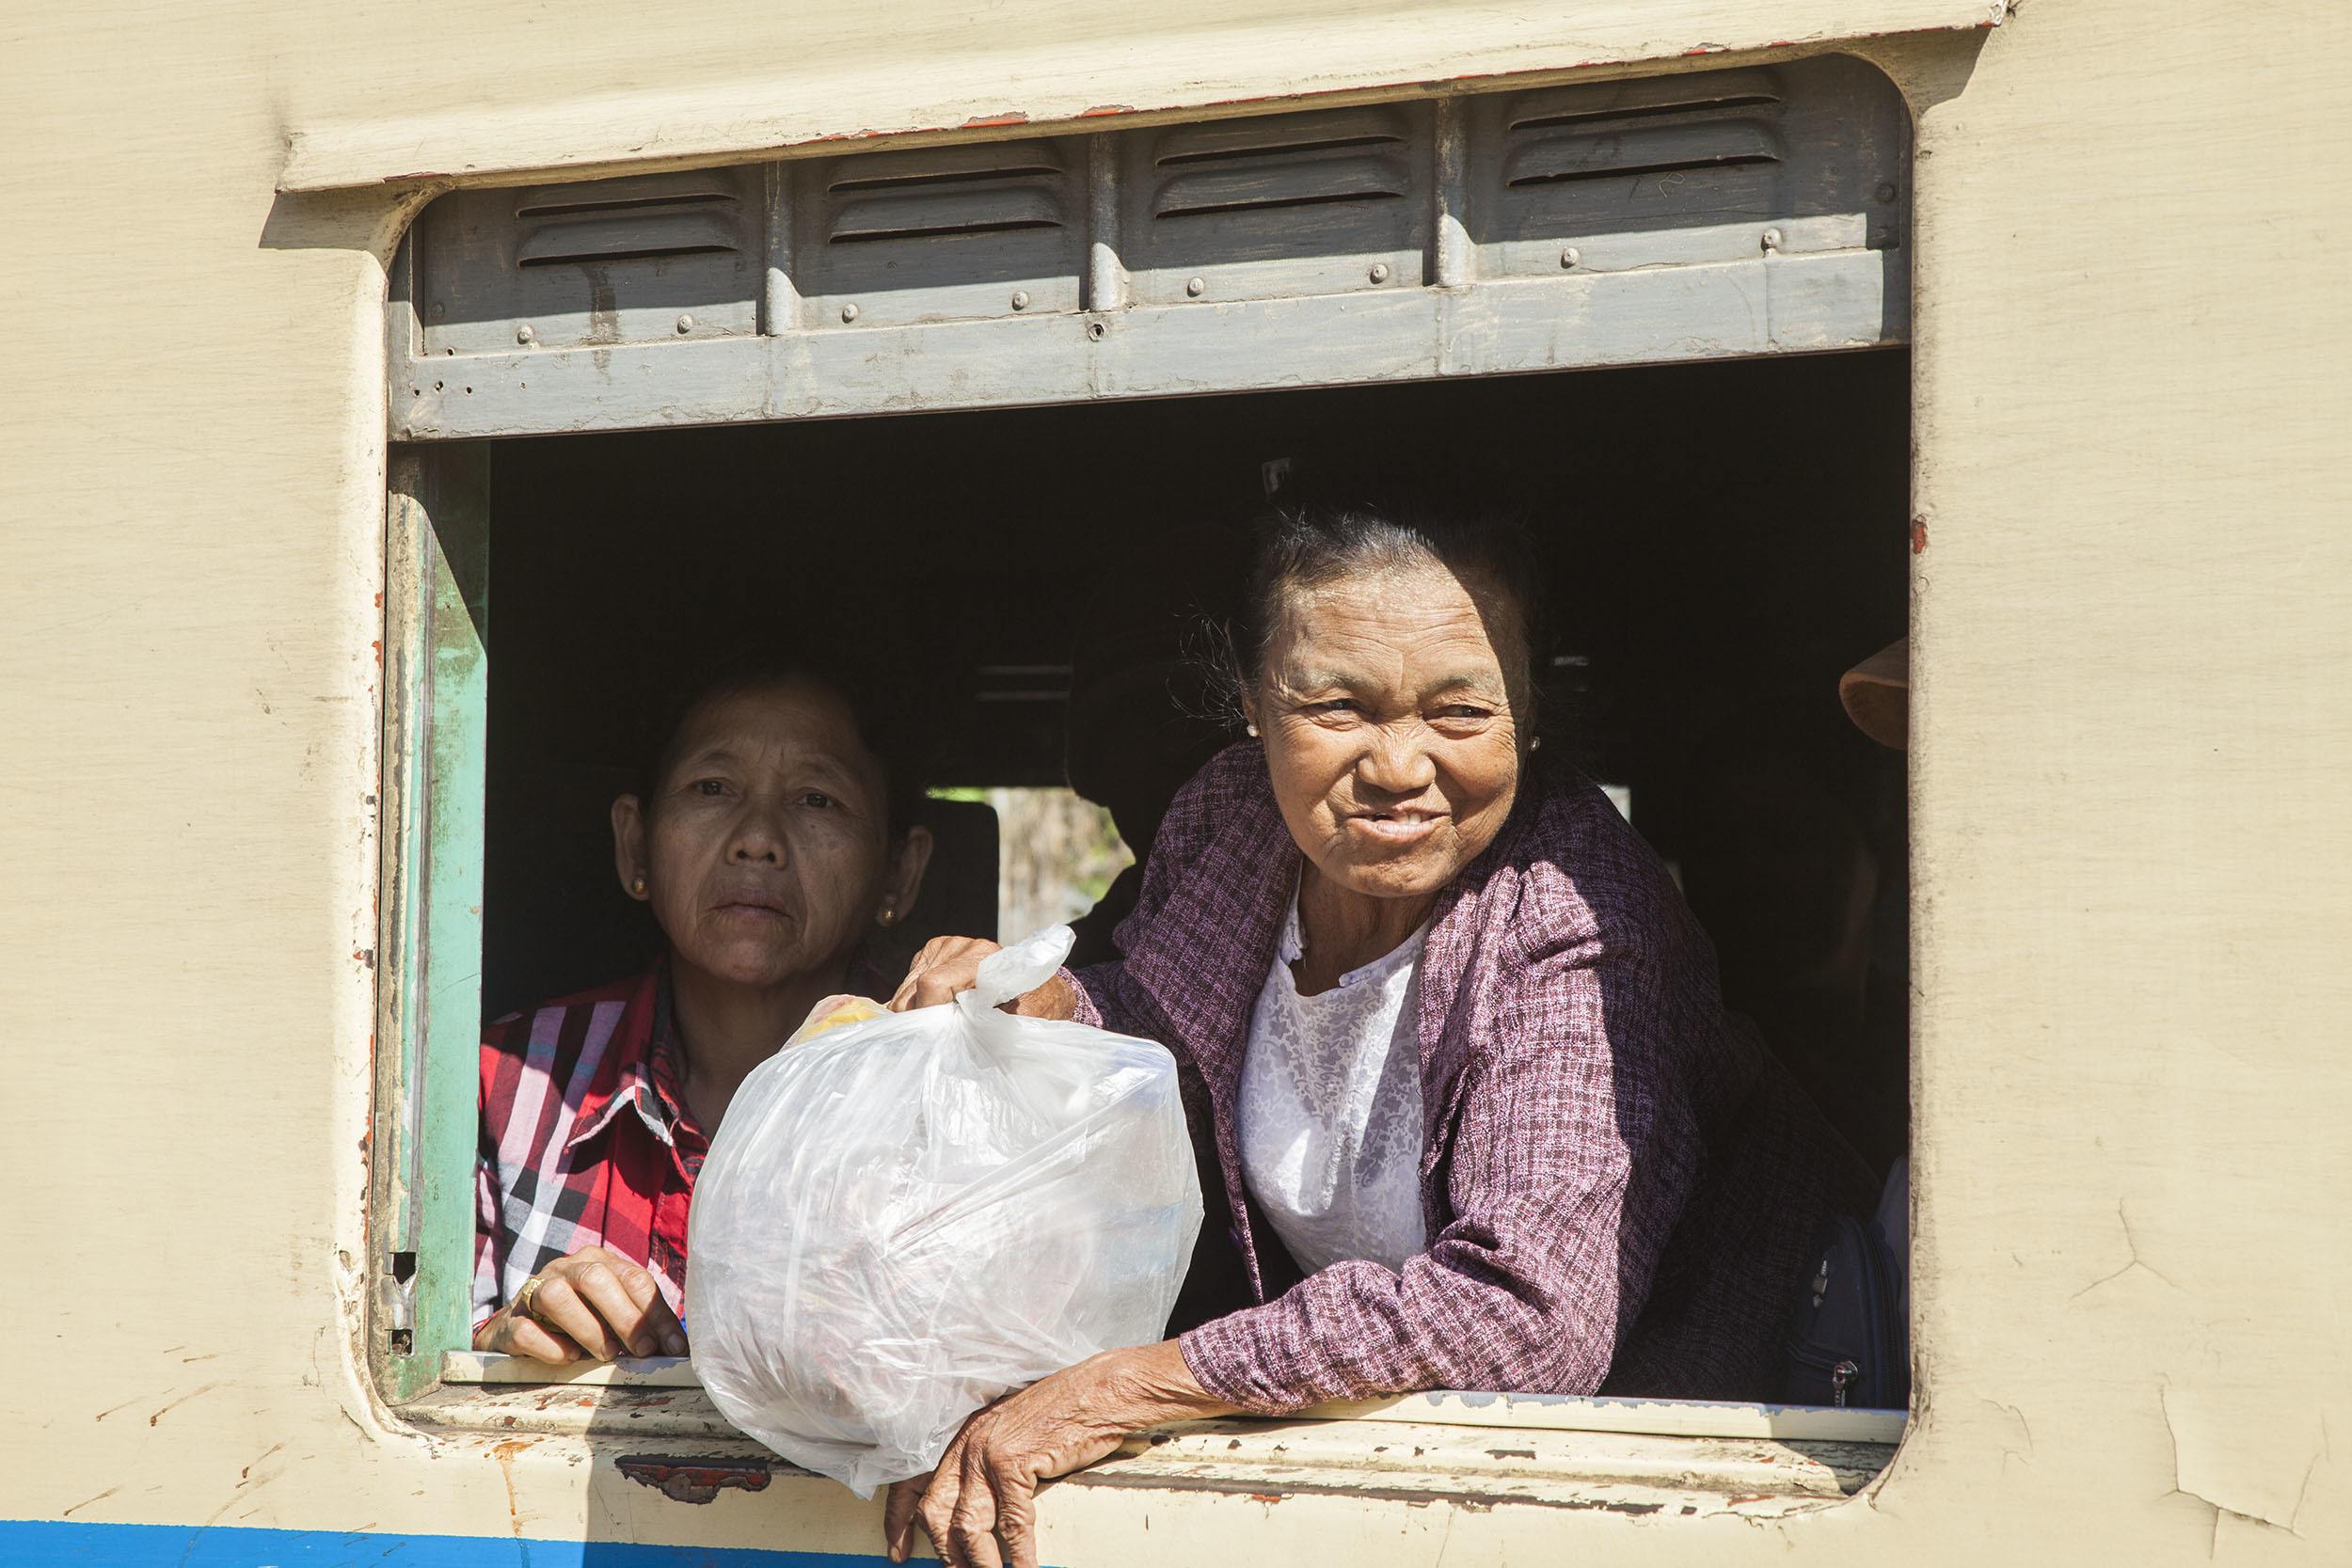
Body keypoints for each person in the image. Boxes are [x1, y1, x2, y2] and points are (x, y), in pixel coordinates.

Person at [881, 498, 1871, 1568]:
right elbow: (1171, 1020)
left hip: (1690, 1460)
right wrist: (1049, 1004)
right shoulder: (1231, 820)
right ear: (1255, 706)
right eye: (1337, 706)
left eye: (1460, 713)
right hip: (1403, 1443)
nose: (1398, 766)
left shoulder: (1577, 917)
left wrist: (1138, 1383)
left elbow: (1525, 1312)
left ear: (1529, 720)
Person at [471, 652, 933, 1364]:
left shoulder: (954, 1100)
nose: (758, 839)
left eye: (817, 798)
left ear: (897, 869)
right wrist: (504, 1337)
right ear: (635, 846)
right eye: (713, 787)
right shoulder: (503, 1083)